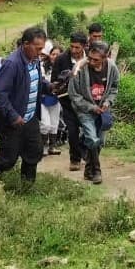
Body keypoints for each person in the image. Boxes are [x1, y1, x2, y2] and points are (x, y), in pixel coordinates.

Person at [0, 27, 50, 183]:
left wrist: (49, 87)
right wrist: (13, 116)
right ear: (26, 44)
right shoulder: (12, 64)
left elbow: (36, 81)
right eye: (37, 48)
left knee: (34, 152)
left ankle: (27, 185)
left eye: (42, 48)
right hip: (13, 120)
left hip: (30, 117)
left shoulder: (35, 60)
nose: (40, 52)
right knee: (8, 159)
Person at [69, 41, 119, 184]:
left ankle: (88, 168)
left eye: (96, 60)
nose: (91, 62)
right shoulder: (78, 69)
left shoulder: (112, 68)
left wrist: (107, 102)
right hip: (85, 110)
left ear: (105, 57)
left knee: (100, 141)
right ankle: (97, 171)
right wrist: (91, 107)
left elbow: (114, 88)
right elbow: (74, 95)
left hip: (103, 110)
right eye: (89, 58)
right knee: (91, 137)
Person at [53, 32, 88, 171]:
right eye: (72, 46)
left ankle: (84, 150)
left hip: (87, 102)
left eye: (77, 47)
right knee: (72, 131)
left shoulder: (91, 58)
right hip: (67, 101)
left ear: (84, 46)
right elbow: (54, 81)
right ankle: (75, 159)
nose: (74, 50)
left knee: (89, 129)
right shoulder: (61, 59)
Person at [39, 42, 64, 156]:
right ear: (49, 55)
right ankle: (43, 146)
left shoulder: (63, 69)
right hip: (43, 99)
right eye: (53, 54)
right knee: (45, 123)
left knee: (54, 124)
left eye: (58, 54)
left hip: (56, 99)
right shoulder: (42, 66)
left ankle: (52, 146)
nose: (55, 56)